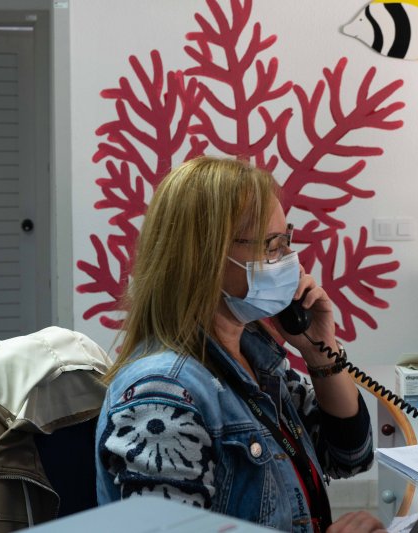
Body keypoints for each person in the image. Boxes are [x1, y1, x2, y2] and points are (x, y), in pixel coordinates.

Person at [95, 156, 386, 533]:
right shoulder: (162, 394)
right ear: (205, 255)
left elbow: (349, 455)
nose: (291, 265)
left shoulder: (252, 352)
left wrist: (320, 351)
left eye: (286, 242)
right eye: (272, 245)